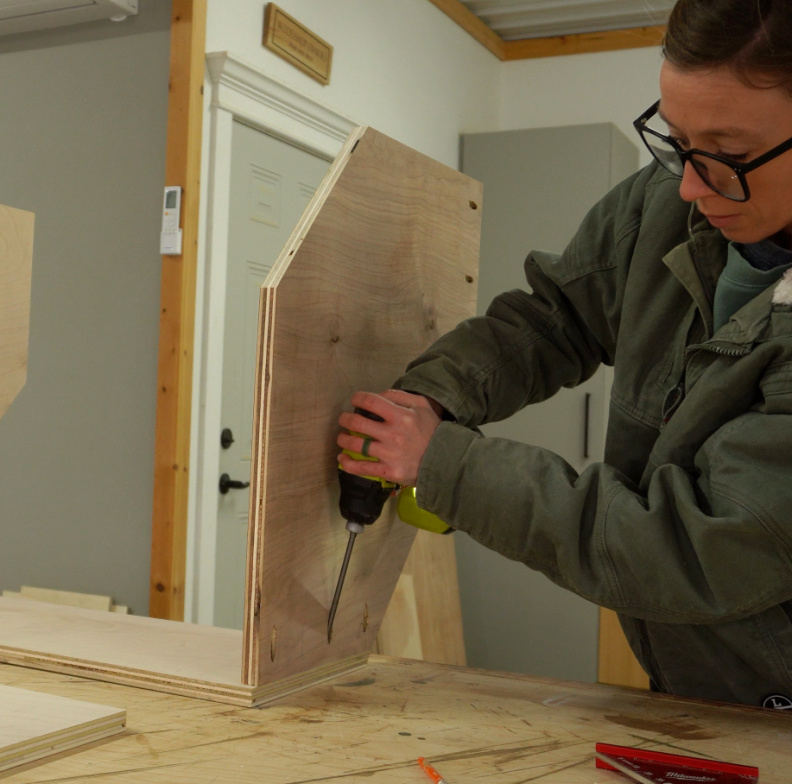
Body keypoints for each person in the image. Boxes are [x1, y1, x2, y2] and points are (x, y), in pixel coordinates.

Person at [337, 0, 792, 710]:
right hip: (689, 686)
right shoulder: (667, 201)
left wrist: (447, 465)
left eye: (729, 156)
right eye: (677, 141)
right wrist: (435, 395)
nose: (690, 187)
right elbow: (556, 318)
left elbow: (698, 549)